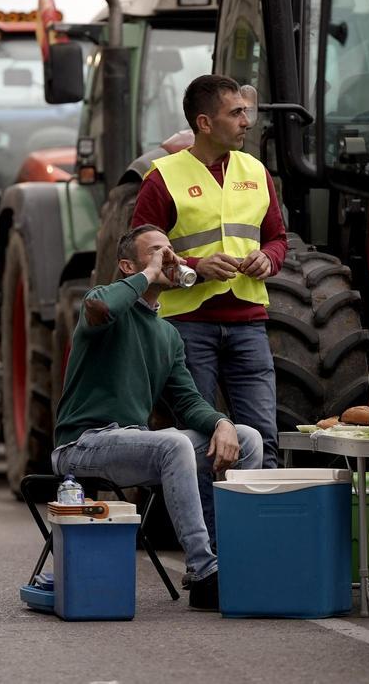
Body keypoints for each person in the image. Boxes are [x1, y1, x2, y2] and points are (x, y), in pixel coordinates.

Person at [52, 224, 263, 611]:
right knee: (173, 443)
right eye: (154, 251)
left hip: (134, 445)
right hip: (82, 445)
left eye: (168, 250)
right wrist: (148, 272)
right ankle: (202, 573)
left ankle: (236, 563)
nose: (166, 257)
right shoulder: (103, 303)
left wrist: (221, 423)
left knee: (248, 437)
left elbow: (189, 404)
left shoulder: (167, 335)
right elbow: (100, 308)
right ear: (127, 265)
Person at [131, 74, 288, 469]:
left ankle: (258, 528)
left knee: (262, 440)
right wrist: (197, 268)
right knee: (199, 444)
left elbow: (278, 238)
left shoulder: (255, 172)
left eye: (245, 112)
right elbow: (140, 257)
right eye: (235, 113)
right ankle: (204, 533)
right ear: (204, 123)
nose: (245, 122)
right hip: (187, 328)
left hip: (249, 325)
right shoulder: (162, 178)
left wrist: (268, 258)